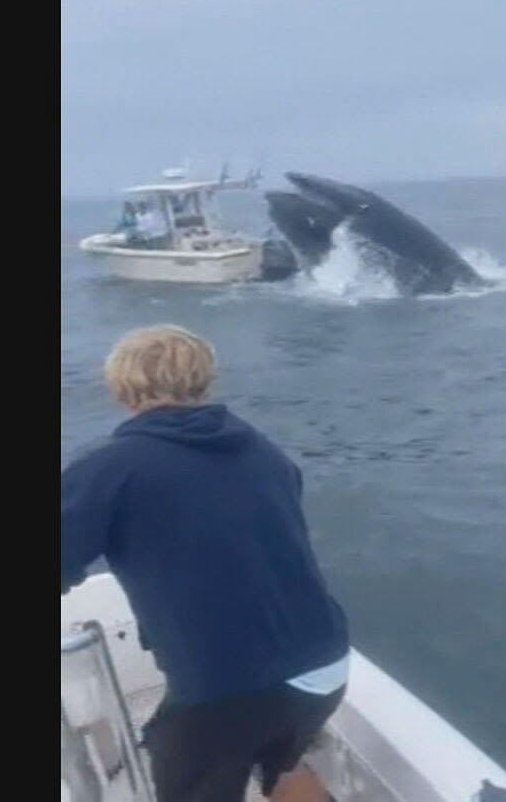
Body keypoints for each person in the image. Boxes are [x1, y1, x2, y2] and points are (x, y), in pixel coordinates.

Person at [61, 325, 350, 802]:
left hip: (229, 687)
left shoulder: (112, 466)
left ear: (121, 387)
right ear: (204, 378)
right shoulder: (263, 450)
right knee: (281, 761)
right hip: (325, 664)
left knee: (199, 765)